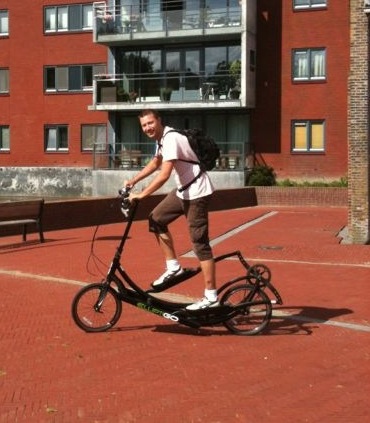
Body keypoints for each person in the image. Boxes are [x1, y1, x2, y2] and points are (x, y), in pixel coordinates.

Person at [124, 109, 218, 310]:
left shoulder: (171, 138)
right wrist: (133, 181)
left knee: (199, 243)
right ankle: (173, 267)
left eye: (150, 123)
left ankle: (211, 297)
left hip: (197, 193)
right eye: (144, 125)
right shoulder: (162, 140)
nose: (148, 128)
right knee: (156, 218)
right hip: (183, 191)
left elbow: (164, 174)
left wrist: (142, 194)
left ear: (159, 121)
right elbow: (155, 162)